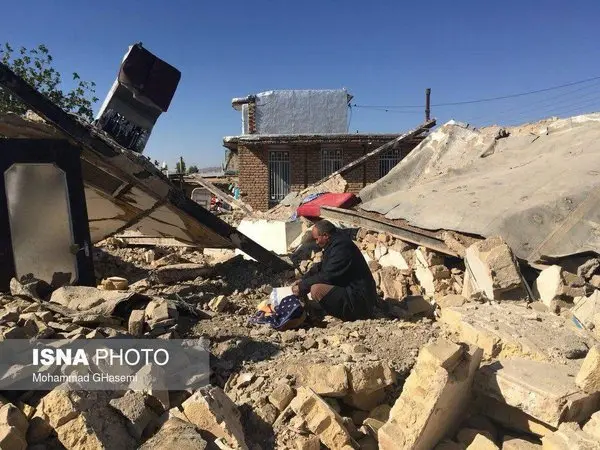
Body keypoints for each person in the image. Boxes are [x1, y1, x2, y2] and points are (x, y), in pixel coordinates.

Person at [291, 220, 377, 321]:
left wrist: (303, 287)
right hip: (352, 291)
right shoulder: (335, 243)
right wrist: (304, 280)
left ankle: (350, 316)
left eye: (317, 239)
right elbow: (322, 266)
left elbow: (327, 276)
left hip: (360, 299)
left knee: (316, 290)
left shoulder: (341, 248)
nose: (316, 242)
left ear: (325, 235)